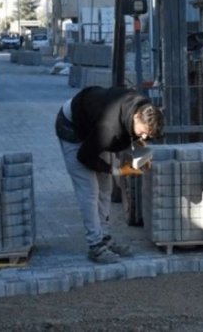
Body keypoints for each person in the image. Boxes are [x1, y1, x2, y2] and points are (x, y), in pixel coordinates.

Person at [54, 86, 164, 264]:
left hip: (93, 122)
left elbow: (130, 137)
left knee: (106, 187)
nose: (144, 136)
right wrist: (119, 171)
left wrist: (140, 152)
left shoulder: (144, 109)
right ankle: (95, 245)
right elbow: (84, 157)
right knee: (90, 191)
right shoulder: (108, 129)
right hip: (72, 127)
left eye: (148, 135)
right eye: (143, 132)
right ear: (136, 116)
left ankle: (104, 237)